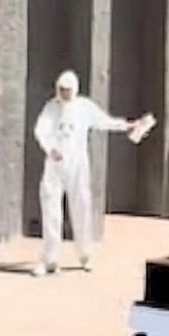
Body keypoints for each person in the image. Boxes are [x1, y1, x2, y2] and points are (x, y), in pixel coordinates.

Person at [33, 70, 155, 275]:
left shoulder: (84, 107)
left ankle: (85, 254)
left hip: (78, 164)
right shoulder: (51, 107)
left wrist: (128, 125)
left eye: (68, 90)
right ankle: (50, 259)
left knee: (81, 207)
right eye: (62, 89)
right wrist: (50, 148)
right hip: (55, 165)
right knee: (51, 211)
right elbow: (40, 130)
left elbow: (104, 122)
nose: (65, 93)